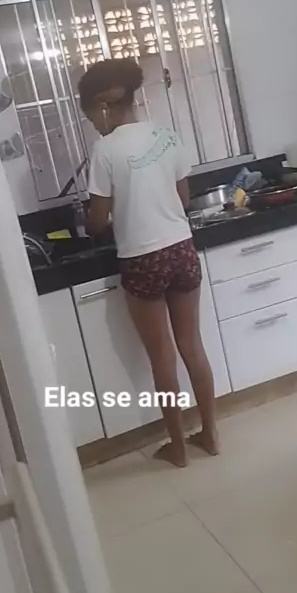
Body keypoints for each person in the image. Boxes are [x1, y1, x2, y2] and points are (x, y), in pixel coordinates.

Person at [78, 58, 218, 467]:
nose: (93, 124)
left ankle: (178, 448)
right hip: (181, 249)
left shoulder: (105, 150)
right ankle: (210, 435)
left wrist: (94, 220)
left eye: (90, 116)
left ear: (103, 106)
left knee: (162, 357)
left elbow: (98, 221)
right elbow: (184, 199)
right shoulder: (167, 136)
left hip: (142, 258)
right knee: (192, 346)